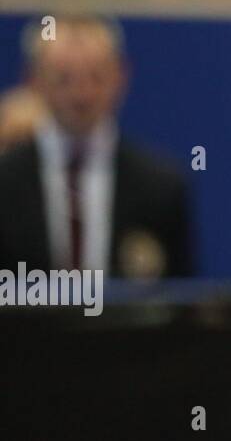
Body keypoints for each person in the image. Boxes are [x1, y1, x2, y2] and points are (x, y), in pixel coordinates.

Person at [0, 15, 194, 279]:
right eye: (64, 79)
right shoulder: (6, 181)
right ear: (34, 80)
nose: (81, 94)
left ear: (120, 76)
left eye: (95, 77)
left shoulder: (161, 187)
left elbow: (181, 300)